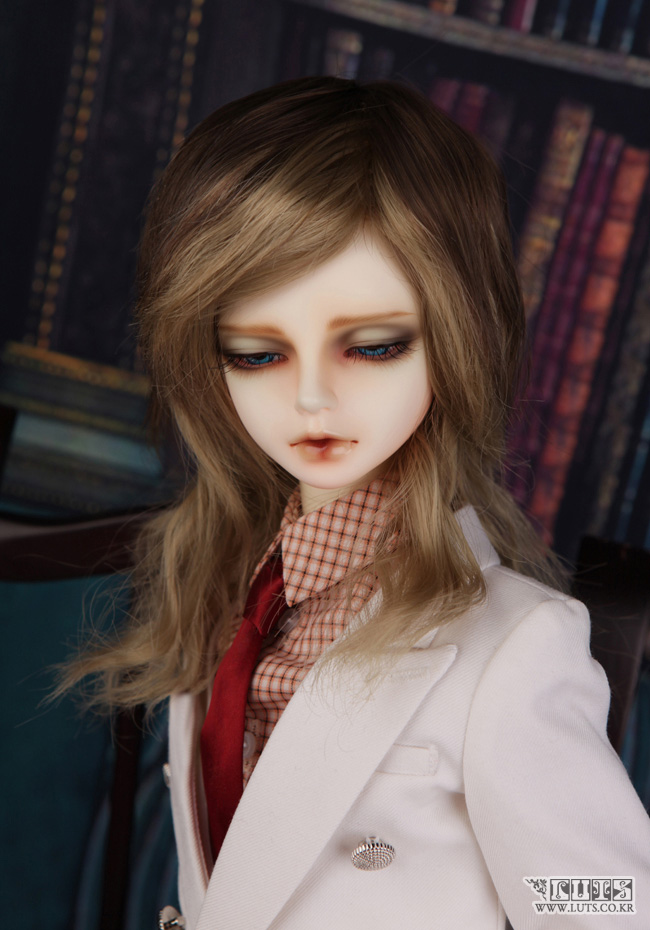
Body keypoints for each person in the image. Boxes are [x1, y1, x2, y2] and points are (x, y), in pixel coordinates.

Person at [63, 77, 650, 929]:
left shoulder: (516, 648)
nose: (311, 398)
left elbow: (616, 903)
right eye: (255, 353)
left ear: (456, 337)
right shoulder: (231, 588)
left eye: (373, 347)